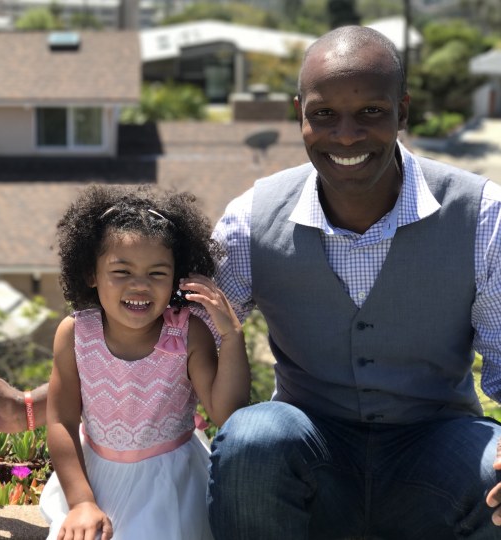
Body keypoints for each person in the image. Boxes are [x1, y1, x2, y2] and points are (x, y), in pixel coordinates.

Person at [205, 25, 501, 538]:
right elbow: (176, 345)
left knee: (493, 471)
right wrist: (43, 405)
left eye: (371, 112)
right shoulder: (251, 218)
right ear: (299, 113)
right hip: (312, 453)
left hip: (436, 448)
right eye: (324, 114)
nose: (345, 134)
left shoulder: (481, 215)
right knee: (252, 440)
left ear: (402, 111)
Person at [39, 185, 251, 540]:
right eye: (121, 272)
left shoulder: (189, 333)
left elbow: (226, 412)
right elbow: (60, 420)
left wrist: (231, 336)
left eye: (157, 273)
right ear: (91, 274)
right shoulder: (75, 333)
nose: (140, 286)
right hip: (91, 484)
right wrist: (81, 502)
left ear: (176, 278)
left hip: (172, 486)